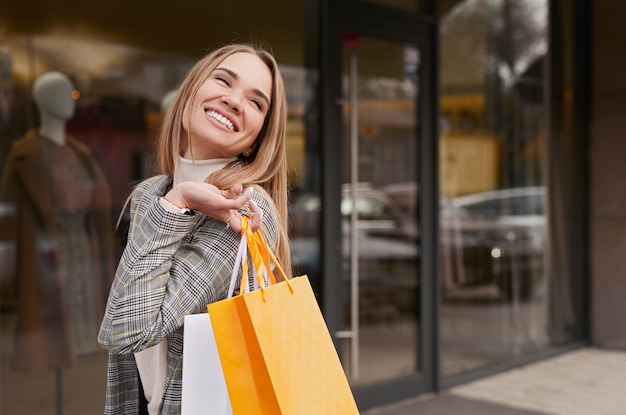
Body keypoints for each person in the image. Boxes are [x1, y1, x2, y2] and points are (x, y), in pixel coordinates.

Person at [97, 43, 292, 415]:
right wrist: (177, 199)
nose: (234, 101)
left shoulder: (242, 209)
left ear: (257, 140)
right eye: (223, 80)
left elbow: (128, 330)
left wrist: (176, 205)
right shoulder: (151, 194)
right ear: (189, 93)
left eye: (256, 102)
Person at [1, 71, 113, 371]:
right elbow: (9, 211)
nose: (69, 97)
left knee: (83, 298)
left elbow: (96, 206)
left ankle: (83, 344)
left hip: (82, 244)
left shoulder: (82, 154)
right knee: (50, 311)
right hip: (43, 245)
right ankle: (51, 355)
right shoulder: (24, 154)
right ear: (43, 101)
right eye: (60, 92)